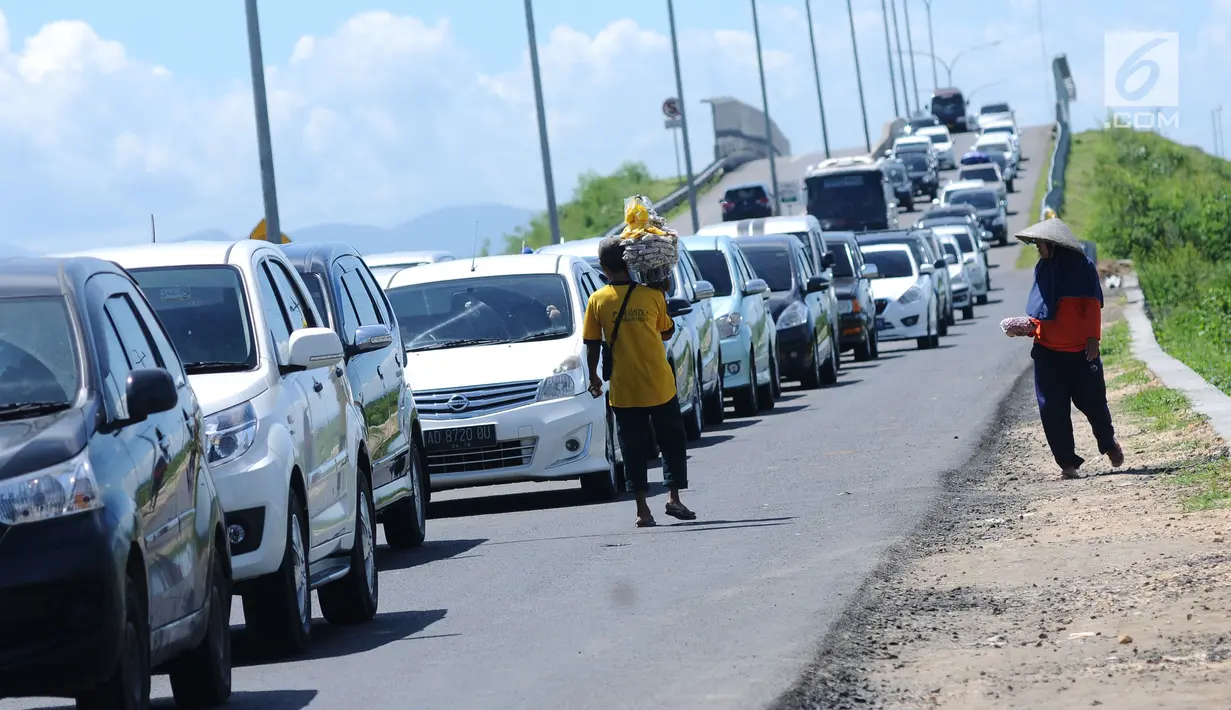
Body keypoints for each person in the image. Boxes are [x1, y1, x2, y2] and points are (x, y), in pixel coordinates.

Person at [582, 236, 696, 527]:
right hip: (659, 384)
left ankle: (642, 510)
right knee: (671, 441)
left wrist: (594, 376)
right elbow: (667, 332)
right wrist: (662, 297)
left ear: (603, 268)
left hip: (624, 388)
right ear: (630, 262)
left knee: (632, 448)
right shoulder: (652, 296)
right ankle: (673, 498)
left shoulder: (597, 300)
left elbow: (592, 342)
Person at [1011, 218, 1124, 479]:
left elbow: (1093, 305)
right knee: (1051, 408)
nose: (1038, 249)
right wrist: (1027, 327)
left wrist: (1093, 339)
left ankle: (1109, 444)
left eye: (1040, 244)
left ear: (1053, 244)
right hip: (1047, 352)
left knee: (1093, 403)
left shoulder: (1083, 269)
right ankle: (1067, 464)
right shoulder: (1042, 269)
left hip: (1081, 353)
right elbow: (1040, 311)